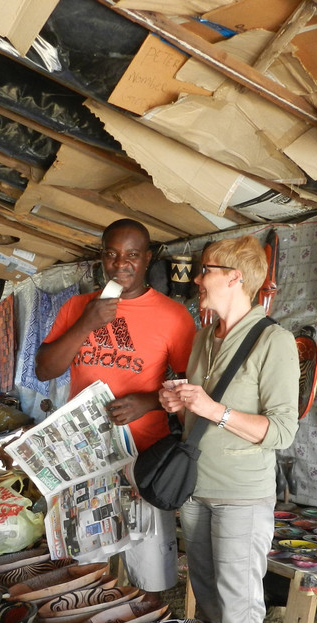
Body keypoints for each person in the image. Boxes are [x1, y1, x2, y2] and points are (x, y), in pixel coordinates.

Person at [157, 234, 298, 623]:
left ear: (235, 277)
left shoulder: (274, 341)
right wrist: (178, 403)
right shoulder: (204, 337)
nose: (198, 278)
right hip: (195, 490)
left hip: (241, 495)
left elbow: (282, 431)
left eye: (206, 270)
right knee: (210, 607)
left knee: (240, 611)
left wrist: (215, 410)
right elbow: (197, 415)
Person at [35, 218, 196, 590]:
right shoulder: (77, 307)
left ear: (147, 259)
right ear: (101, 258)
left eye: (133, 255)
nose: (121, 264)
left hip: (145, 460)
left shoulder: (173, 315)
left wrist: (150, 402)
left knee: (150, 577)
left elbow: (192, 389)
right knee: (88, 573)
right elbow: (45, 369)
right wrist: (86, 323)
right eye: (111, 254)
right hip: (85, 461)